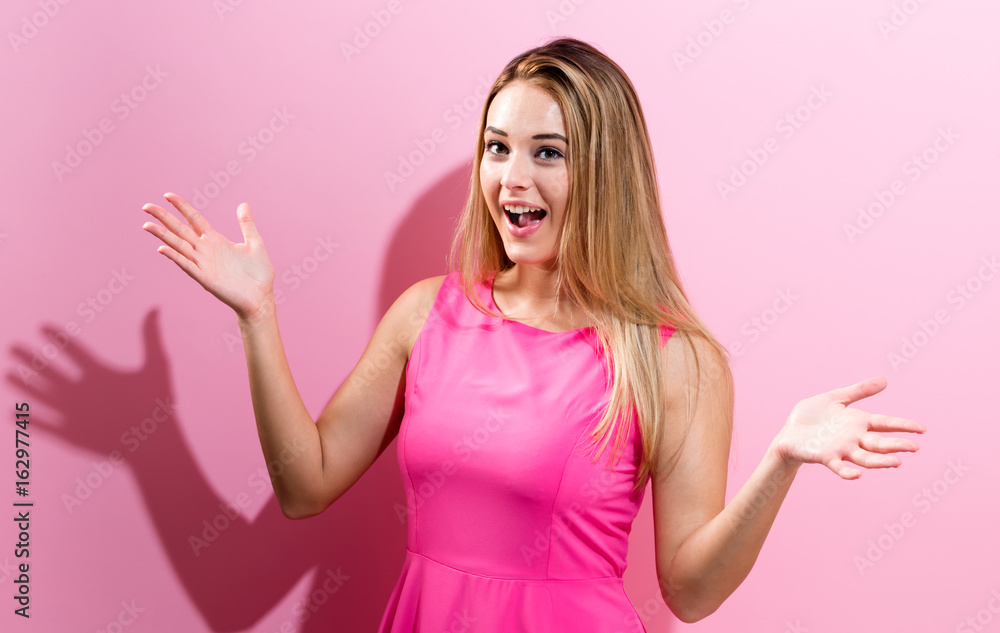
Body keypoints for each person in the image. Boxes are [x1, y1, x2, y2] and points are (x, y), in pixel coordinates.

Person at [140, 37, 926, 631]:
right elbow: (304, 485)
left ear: (604, 174)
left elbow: (689, 590)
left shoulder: (674, 359)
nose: (510, 179)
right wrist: (257, 314)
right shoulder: (426, 314)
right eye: (496, 146)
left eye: (547, 152)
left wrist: (780, 462)